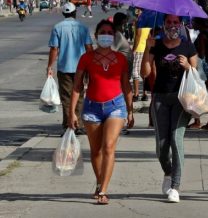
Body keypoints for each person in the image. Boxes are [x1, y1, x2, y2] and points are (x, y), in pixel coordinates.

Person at [68, 20, 134, 205]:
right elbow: (77, 86)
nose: (106, 35)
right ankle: (99, 182)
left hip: (116, 106)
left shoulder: (120, 59)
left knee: (108, 147)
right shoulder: (86, 58)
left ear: (114, 37)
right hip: (92, 108)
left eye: (109, 32)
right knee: (96, 151)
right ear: (96, 36)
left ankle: (103, 190)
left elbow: (126, 85)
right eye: (102, 32)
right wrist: (71, 112)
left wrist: (130, 110)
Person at [141, 14, 198, 203]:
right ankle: (168, 172)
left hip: (182, 98)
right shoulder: (156, 46)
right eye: (169, 22)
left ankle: (175, 186)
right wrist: (147, 49)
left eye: (176, 22)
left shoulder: (188, 46)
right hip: (160, 98)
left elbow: (198, 75)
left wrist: (188, 66)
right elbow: (145, 73)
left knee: (176, 138)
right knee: (161, 147)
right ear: (164, 25)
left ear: (181, 25)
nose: (172, 26)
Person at [47, 2, 93, 135]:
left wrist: (50, 66)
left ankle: (69, 125)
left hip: (64, 68)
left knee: (66, 97)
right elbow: (89, 48)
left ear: (63, 14)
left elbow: (54, 49)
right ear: (75, 13)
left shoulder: (57, 27)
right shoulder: (83, 28)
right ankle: (78, 123)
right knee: (79, 95)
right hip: (81, 67)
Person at [132, 15, 151, 102]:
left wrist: (133, 49)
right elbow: (149, 37)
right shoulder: (149, 23)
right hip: (145, 49)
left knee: (135, 71)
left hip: (139, 49)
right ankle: (145, 93)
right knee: (144, 72)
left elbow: (138, 36)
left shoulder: (140, 21)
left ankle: (136, 94)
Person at [112, 12, 134, 78]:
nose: (127, 23)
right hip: (121, 71)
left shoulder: (119, 34)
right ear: (122, 22)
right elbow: (112, 51)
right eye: (126, 21)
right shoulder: (117, 35)